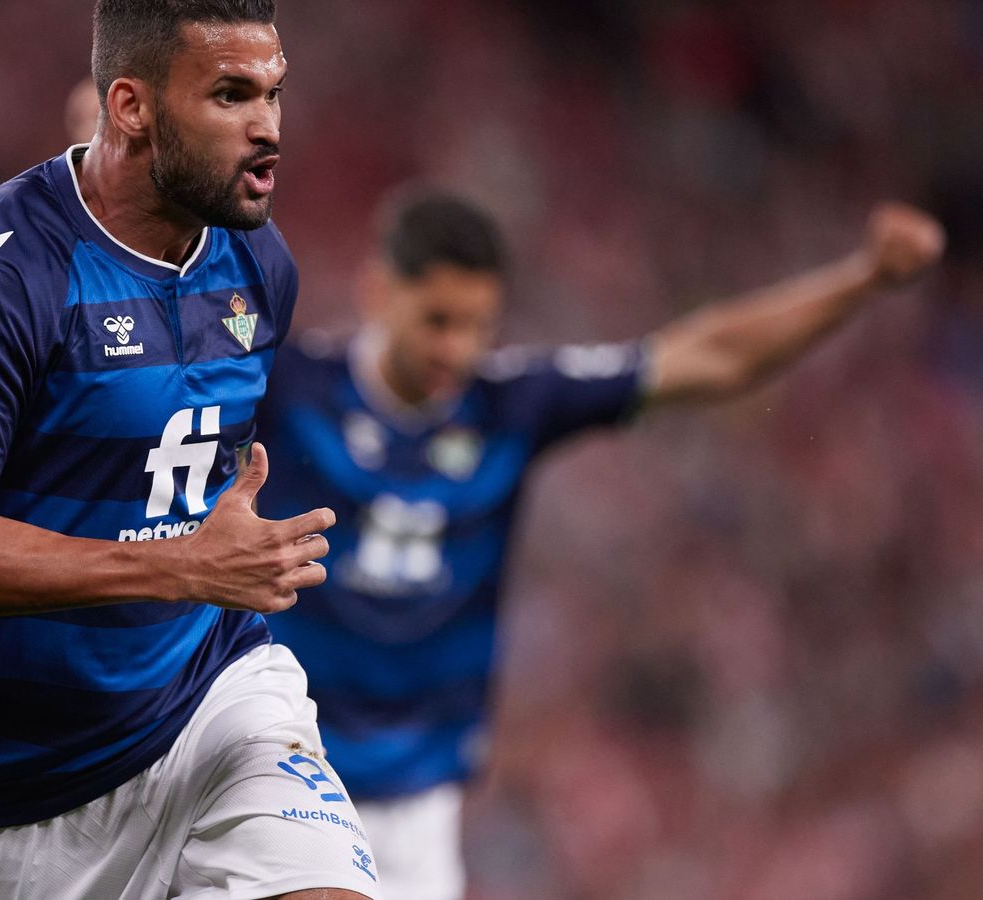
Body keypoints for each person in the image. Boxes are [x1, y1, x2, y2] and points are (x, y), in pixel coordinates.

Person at [252, 187, 946, 899]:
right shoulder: (286, 389)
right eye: (437, 320)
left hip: (419, 807)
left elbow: (710, 359)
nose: (454, 349)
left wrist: (863, 277)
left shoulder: (511, 404)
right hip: (284, 763)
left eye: (476, 325)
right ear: (377, 291)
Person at [0, 2, 379, 898]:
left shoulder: (259, 265)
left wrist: (201, 574)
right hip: (16, 785)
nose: (267, 127)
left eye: (274, 93)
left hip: (212, 699)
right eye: (230, 96)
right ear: (132, 106)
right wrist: (182, 565)